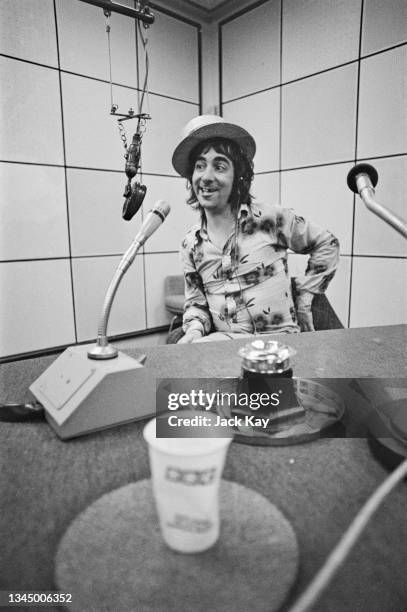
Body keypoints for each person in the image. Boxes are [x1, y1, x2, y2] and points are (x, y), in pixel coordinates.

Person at [171, 115, 340, 343]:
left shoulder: (270, 219)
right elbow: (197, 304)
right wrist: (193, 331)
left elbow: (327, 243)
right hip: (224, 346)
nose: (206, 176)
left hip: (281, 346)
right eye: (200, 166)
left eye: (219, 166)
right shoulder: (190, 244)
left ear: (238, 175)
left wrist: (306, 295)